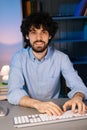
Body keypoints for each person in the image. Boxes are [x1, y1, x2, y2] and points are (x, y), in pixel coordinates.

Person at [7, 12, 87, 116]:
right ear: (27, 35)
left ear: (49, 36)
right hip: (28, 108)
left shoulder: (62, 58)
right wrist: (38, 104)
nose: (39, 38)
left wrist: (77, 97)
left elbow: (78, 85)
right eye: (33, 32)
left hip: (56, 109)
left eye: (43, 32)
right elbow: (14, 91)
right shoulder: (18, 58)